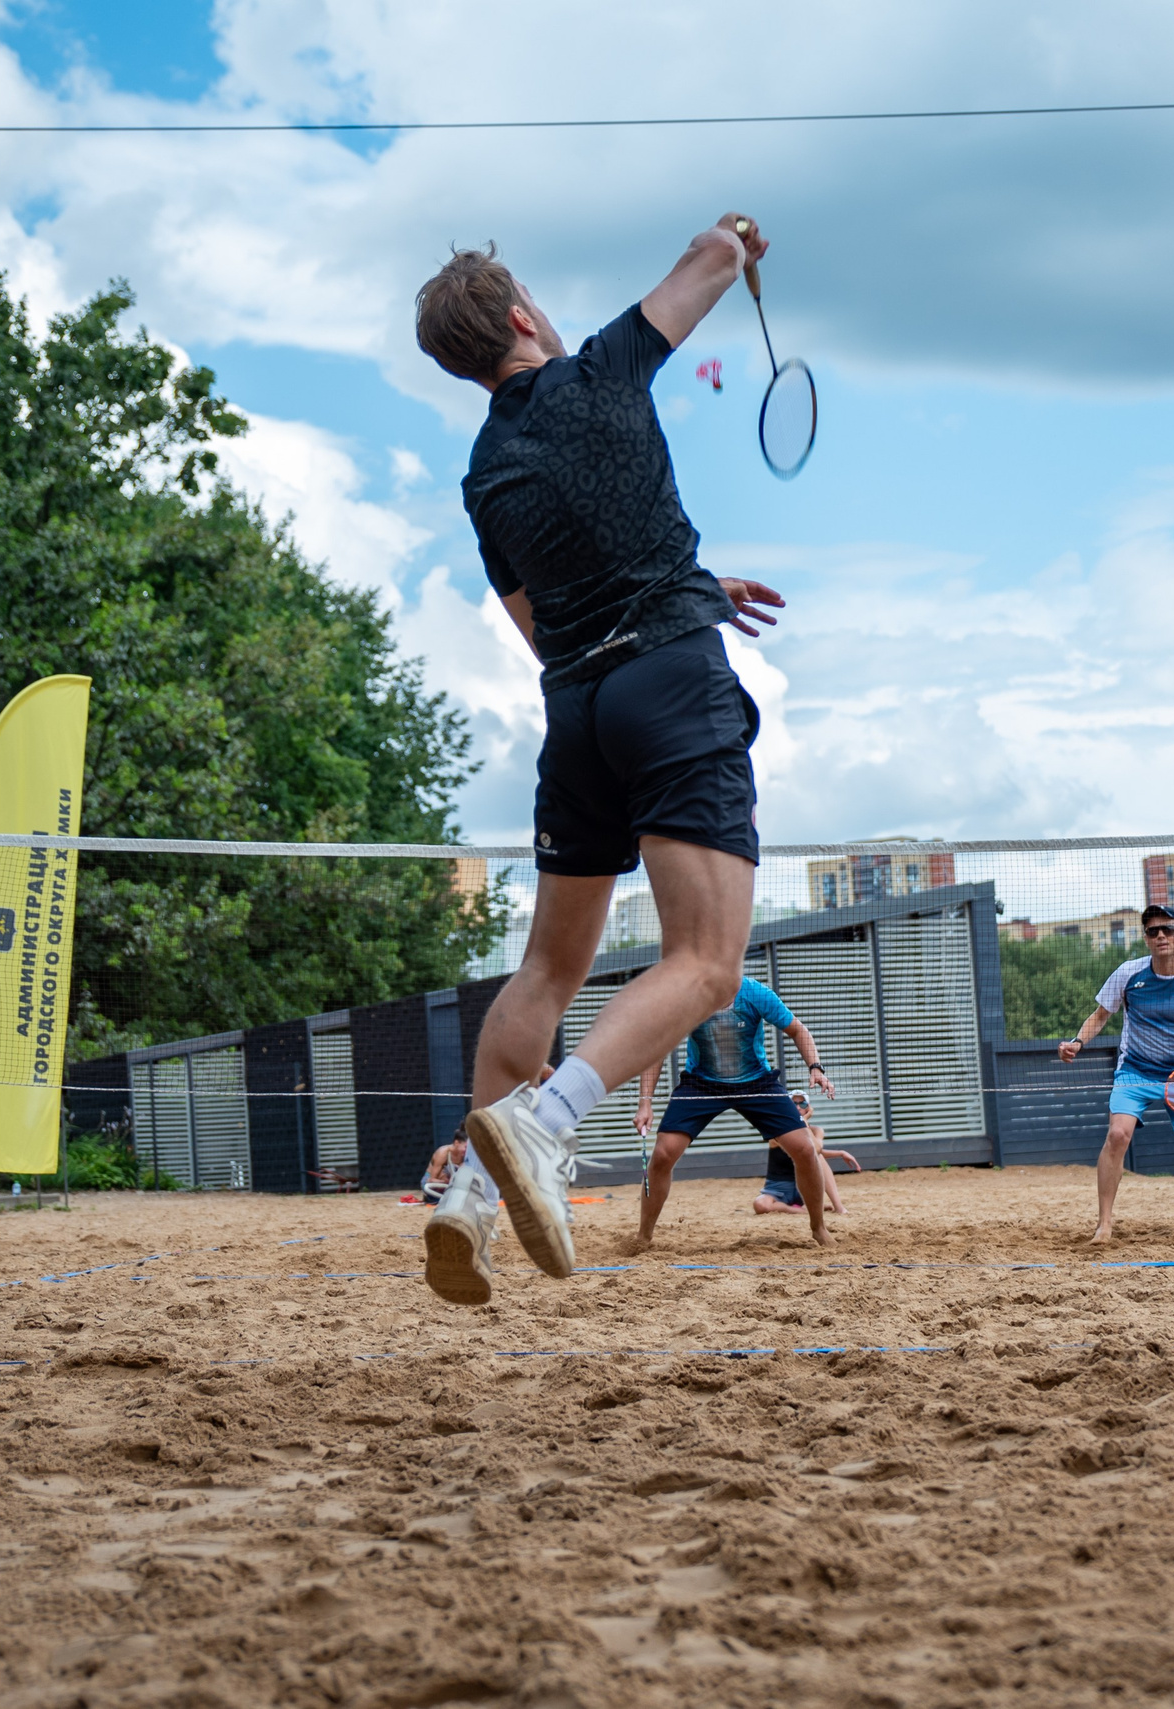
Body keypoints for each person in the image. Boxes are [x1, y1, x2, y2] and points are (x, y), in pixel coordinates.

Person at [410, 216, 798, 1306]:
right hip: (669, 686)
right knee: (708, 961)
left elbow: (549, 624)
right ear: (526, 316)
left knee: (545, 972)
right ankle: (543, 1125)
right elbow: (712, 261)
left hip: (577, 707)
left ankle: (467, 1203)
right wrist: (734, 235)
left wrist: (690, 585)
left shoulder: (486, 476)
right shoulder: (602, 370)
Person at [1058, 905, 1174, 1243]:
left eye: (1168, 930)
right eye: (1152, 931)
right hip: (1135, 1073)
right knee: (1118, 1135)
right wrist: (1077, 1042)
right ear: (1145, 939)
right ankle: (1104, 1225)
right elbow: (1101, 1015)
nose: (1160, 935)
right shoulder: (1129, 973)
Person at [630, 977, 837, 1252]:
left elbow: (798, 1030)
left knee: (805, 1148)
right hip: (701, 1083)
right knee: (663, 1153)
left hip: (756, 1082)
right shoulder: (685, 997)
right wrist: (645, 1103)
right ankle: (644, 1234)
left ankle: (818, 1228)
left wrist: (816, 1067)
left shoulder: (755, 993)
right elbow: (656, 1049)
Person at [754, 1089, 860, 1217]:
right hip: (778, 1188)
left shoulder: (816, 1130)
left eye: (802, 1104)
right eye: (793, 1104)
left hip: (804, 1186)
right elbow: (800, 1149)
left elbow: (816, 1150)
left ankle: (839, 1207)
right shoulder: (778, 1133)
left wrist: (803, 1122)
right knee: (760, 1205)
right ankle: (801, 1210)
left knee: (818, 1156)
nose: (798, 1107)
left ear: (808, 1108)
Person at [422, 1128, 472, 1202]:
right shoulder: (443, 1153)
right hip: (431, 1184)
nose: (467, 1150)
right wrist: (447, 1182)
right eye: (465, 1147)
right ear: (456, 1143)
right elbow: (431, 1180)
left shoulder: (465, 1156)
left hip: (448, 1186)